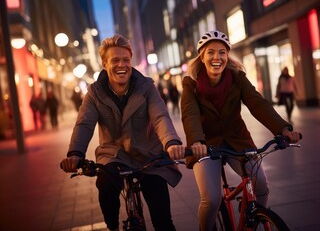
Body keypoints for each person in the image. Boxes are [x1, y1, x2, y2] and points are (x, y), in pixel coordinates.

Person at [60, 34, 185, 231]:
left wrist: (171, 143)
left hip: (149, 155)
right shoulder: (94, 92)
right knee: (106, 185)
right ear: (104, 64)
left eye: (126, 60)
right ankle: (112, 227)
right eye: (115, 60)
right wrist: (75, 154)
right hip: (114, 155)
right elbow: (84, 124)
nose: (122, 65)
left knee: (163, 219)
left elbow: (160, 116)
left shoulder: (146, 87)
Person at [180, 30, 301, 231]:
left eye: (222, 52)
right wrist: (196, 141)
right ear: (201, 56)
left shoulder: (238, 78)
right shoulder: (190, 85)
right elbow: (189, 114)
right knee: (211, 199)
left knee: (261, 184)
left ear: (228, 55)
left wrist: (283, 129)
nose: (216, 57)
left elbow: (257, 104)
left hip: (237, 140)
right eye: (210, 52)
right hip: (205, 143)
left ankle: (251, 219)